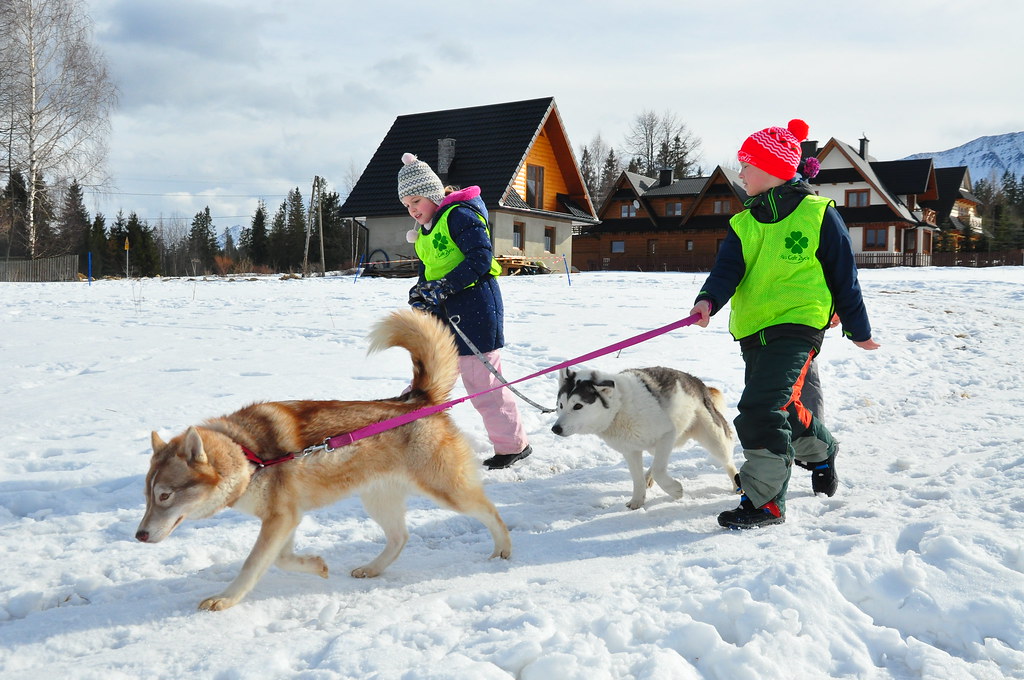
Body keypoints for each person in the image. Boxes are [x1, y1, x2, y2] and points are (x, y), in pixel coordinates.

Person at [688, 119, 880, 530]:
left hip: (798, 325)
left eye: (746, 166)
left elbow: (844, 275)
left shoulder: (817, 214)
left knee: (760, 408)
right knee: (784, 408)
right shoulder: (744, 223)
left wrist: (859, 329)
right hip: (754, 328)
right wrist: (707, 300)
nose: (741, 174)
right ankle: (823, 450)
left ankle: (765, 502)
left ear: (772, 169)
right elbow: (726, 271)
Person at [397, 152, 532, 469]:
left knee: (483, 386)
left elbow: (481, 259)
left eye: (416, 200)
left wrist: (444, 287)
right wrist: (421, 293)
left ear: (432, 194)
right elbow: (428, 270)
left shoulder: (459, 215)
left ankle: (513, 445)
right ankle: (406, 436)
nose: (412, 209)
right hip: (444, 318)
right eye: (406, 205)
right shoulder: (426, 231)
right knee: (428, 380)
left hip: (475, 315)